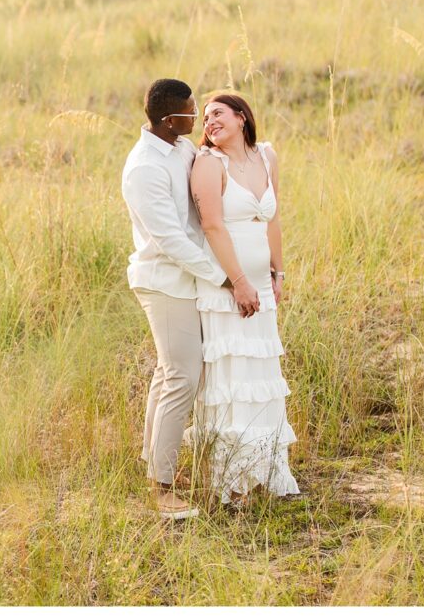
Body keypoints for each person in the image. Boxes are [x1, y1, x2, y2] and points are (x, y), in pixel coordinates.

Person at [185, 94, 301, 506]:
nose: (209, 121)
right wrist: (238, 281)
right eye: (205, 117)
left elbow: (272, 219)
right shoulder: (208, 164)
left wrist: (277, 272)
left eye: (218, 113)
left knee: (261, 378)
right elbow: (213, 227)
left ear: (241, 116)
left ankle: (265, 472)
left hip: (261, 285)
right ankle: (232, 483)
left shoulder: (267, 156)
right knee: (233, 380)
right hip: (227, 289)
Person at [121, 78, 228, 519]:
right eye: (191, 110)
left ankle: (154, 463)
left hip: (184, 279)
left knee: (170, 374)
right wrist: (224, 278)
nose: (198, 113)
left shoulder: (179, 147)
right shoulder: (144, 167)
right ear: (170, 121)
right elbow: (168, 240)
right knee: (184, 375)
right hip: (163, 281)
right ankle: (161, 490)